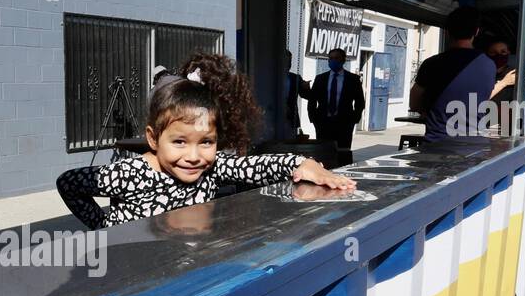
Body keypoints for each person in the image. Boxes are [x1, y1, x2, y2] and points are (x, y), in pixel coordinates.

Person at [56, 53, 355, 230]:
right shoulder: (127, 174)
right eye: (179, 142)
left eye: (206, 142)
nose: (194, 156)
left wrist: (302, 163)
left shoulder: (213, 167)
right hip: (137, 282)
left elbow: (255, 166)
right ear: (153, 138)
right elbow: (68, 183)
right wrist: (104, 227)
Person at [409, 6, 497, 141]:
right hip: (473, 145)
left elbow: (414, 104)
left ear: (447, 31)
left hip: (437, 145)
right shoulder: (489, 65)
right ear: (476, 31)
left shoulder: (432, 64)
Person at [306, 48, 366, 165]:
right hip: (323, 123)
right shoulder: (321, 78)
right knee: (324, 154)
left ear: (343, 60)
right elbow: (312, 100)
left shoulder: (353, 79)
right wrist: (314, 119)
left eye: (336, 58)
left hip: (344, 124)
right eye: (330, 58)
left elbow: (360, 102)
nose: (333, 61)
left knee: (343, 154)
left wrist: (354, 119)